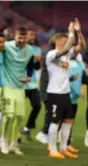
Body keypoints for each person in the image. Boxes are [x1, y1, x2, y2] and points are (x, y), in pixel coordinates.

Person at [46, 18, 85, 159]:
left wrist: (78, 32)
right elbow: (68, 47)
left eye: (65, 40)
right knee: (55, 121)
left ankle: (63, 148)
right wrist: (70, 33)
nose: (65, 42)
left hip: (65, 93)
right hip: (55, 93)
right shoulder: (51, 55)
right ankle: (53, 150)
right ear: (56, 42)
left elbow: (81, 46)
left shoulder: (67, 54)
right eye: (62, 41)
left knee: (68, 120)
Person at [0, 27, 35, 155]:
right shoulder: (6, 46)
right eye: (19, 37)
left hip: (20, 86)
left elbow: (31, 63)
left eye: (24, 38)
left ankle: (13, 144)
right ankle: (3, 140)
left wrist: (29, 76)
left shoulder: (29, 49)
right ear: (15, 36)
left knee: (20, 117)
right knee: (9, 116)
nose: (21, 40)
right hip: (7, 85)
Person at [21, 29, 42, 141]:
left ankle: (27, 127)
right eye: (31, 34)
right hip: (20, 82)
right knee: (19, 110)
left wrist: (38, 61)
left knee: (37, 105)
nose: (33, 37)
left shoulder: (37, 49)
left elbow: (36, 68)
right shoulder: (20, 48)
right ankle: (15, 133)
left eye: (34, 34)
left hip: (32, 83)